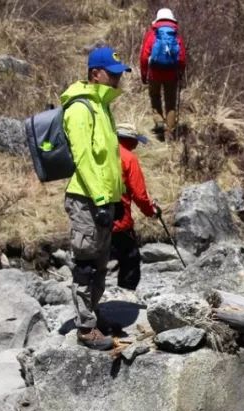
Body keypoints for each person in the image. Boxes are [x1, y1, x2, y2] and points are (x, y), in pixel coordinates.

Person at [61, 45, 130, 351]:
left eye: (119, 74)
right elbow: (84, 158)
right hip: (86, 199)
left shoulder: (103, 107)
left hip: (104, 200)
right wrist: (101, 199)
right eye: (112, 74)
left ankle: (94, 315)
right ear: (95, 74)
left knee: (101, 263)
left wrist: (114, 199)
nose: (117, 79)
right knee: (86, 264)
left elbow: (109, 161)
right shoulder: (80, 108)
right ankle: (85, 328)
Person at [109, 123, 160, 292]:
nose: (137, 145)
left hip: (94, 219)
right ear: (129, 140)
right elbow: (139, 194)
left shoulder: (100, 153)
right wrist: (150, 211)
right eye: (135, 141)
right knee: (130, 261)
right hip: (119, 219)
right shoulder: (128, 158)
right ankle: (125, 299)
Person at [139, 7, 187, 139]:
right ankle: (169, 133)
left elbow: (144, 57)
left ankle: (159, 121)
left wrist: (144, 74)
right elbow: (182, 58)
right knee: (170, 103)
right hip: (171, 74)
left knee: (155, 97)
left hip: (154, 73)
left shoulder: (152, 33)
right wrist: (180, 73)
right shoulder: (176, 35)